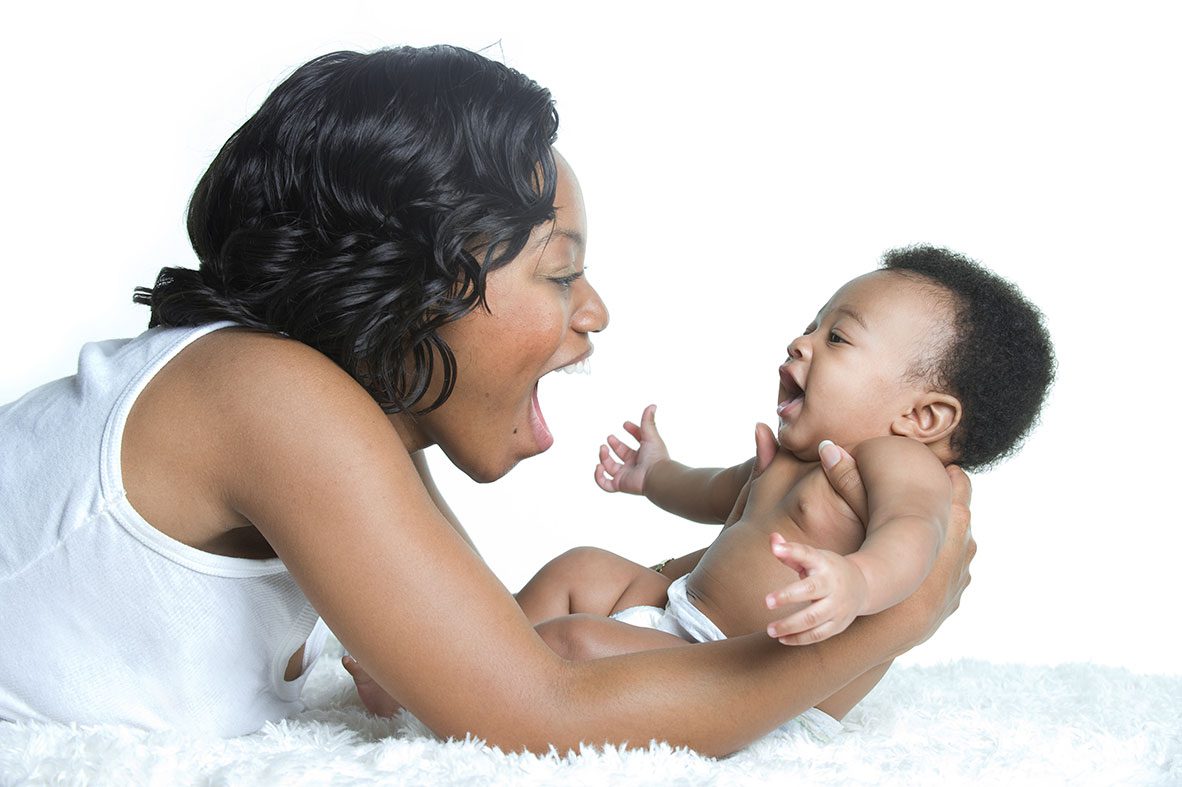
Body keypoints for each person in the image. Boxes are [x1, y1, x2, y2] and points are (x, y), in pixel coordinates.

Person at [0, 45, 975, 755]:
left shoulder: (338, 416)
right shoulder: (269, 394)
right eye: (559, 274)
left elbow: (495, 657)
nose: (595, 309)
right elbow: (539, 718)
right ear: (415, 287)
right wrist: (897, 619)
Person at [507, 247, 1052, 720]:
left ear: (923, 418)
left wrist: (858, 581)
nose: (801, 341)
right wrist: (655, 475)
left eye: (837, 337)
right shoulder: (798, 455)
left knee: (571, 644)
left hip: (761, 683)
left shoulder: (899, 463)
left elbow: (915, 532)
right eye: (812, 324)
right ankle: (475, 650)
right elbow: (717, 491)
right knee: (581, 568)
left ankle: (496, 683)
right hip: (682, 627)